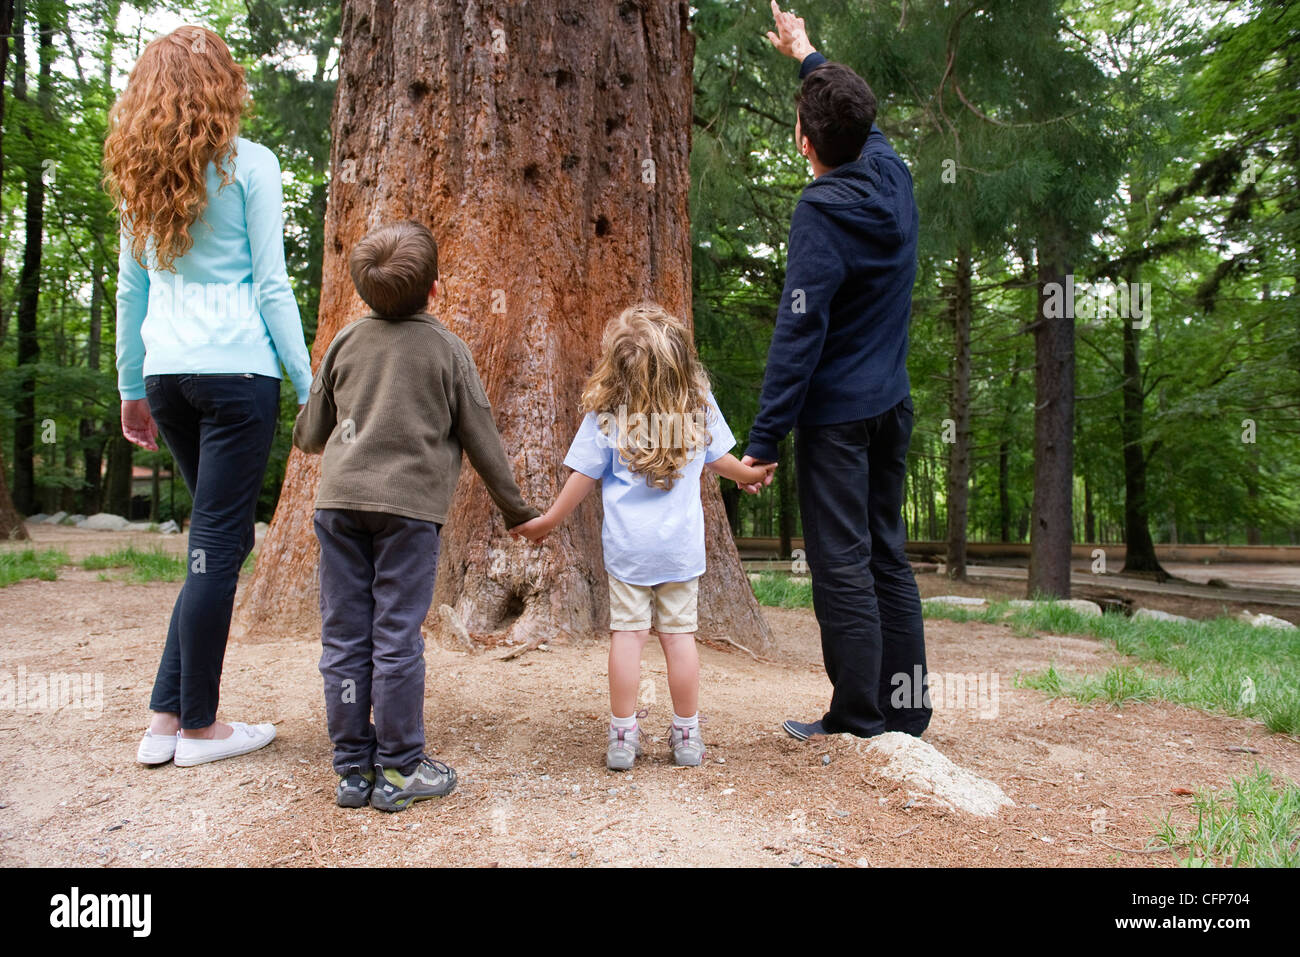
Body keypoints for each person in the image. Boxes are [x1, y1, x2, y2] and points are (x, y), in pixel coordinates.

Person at [107, 26, 313, 767]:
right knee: (219, 545)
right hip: (236, 377)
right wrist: (310, 383)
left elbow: (133, 290)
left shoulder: (139, 175)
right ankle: (202, 727)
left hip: (167, 376)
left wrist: (132, 388)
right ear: (225, 84)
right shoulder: (251, 164)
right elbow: (270, 285)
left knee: (211, 543)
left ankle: (164, 718)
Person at [294, 221, 540, 811]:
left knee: (345, 636)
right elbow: (481, 438)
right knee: (396, 637)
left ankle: (353, 768)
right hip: (409, 515)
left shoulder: (345, 342)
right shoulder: (446, 349)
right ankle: (401, 769)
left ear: (361, 291)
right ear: (435, 289)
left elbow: (308, 436)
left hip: (339, 508)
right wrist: (517, 511)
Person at [741, 3, 931, 740]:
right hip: (892, 404)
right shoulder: (892, 173)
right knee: (888, 554)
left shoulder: (821, 208)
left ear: (804, 142)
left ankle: (856, 716)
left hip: (838, 420)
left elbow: (800, 330)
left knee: (844, 564)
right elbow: (853, 114)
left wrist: (763, 440)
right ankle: (906, 712)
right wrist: (807, 52)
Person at [513, 304, 775, 770]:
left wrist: (549, 520)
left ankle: (622, 736)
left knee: (628, 637)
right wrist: (747, 476)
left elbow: (583, 476)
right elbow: (720, 461)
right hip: (679, 551)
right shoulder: (697, 403)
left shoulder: (608, 413)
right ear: (681, 362)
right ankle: (687, 734)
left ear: (617, 362)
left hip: (629, 551)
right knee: (680, 639)